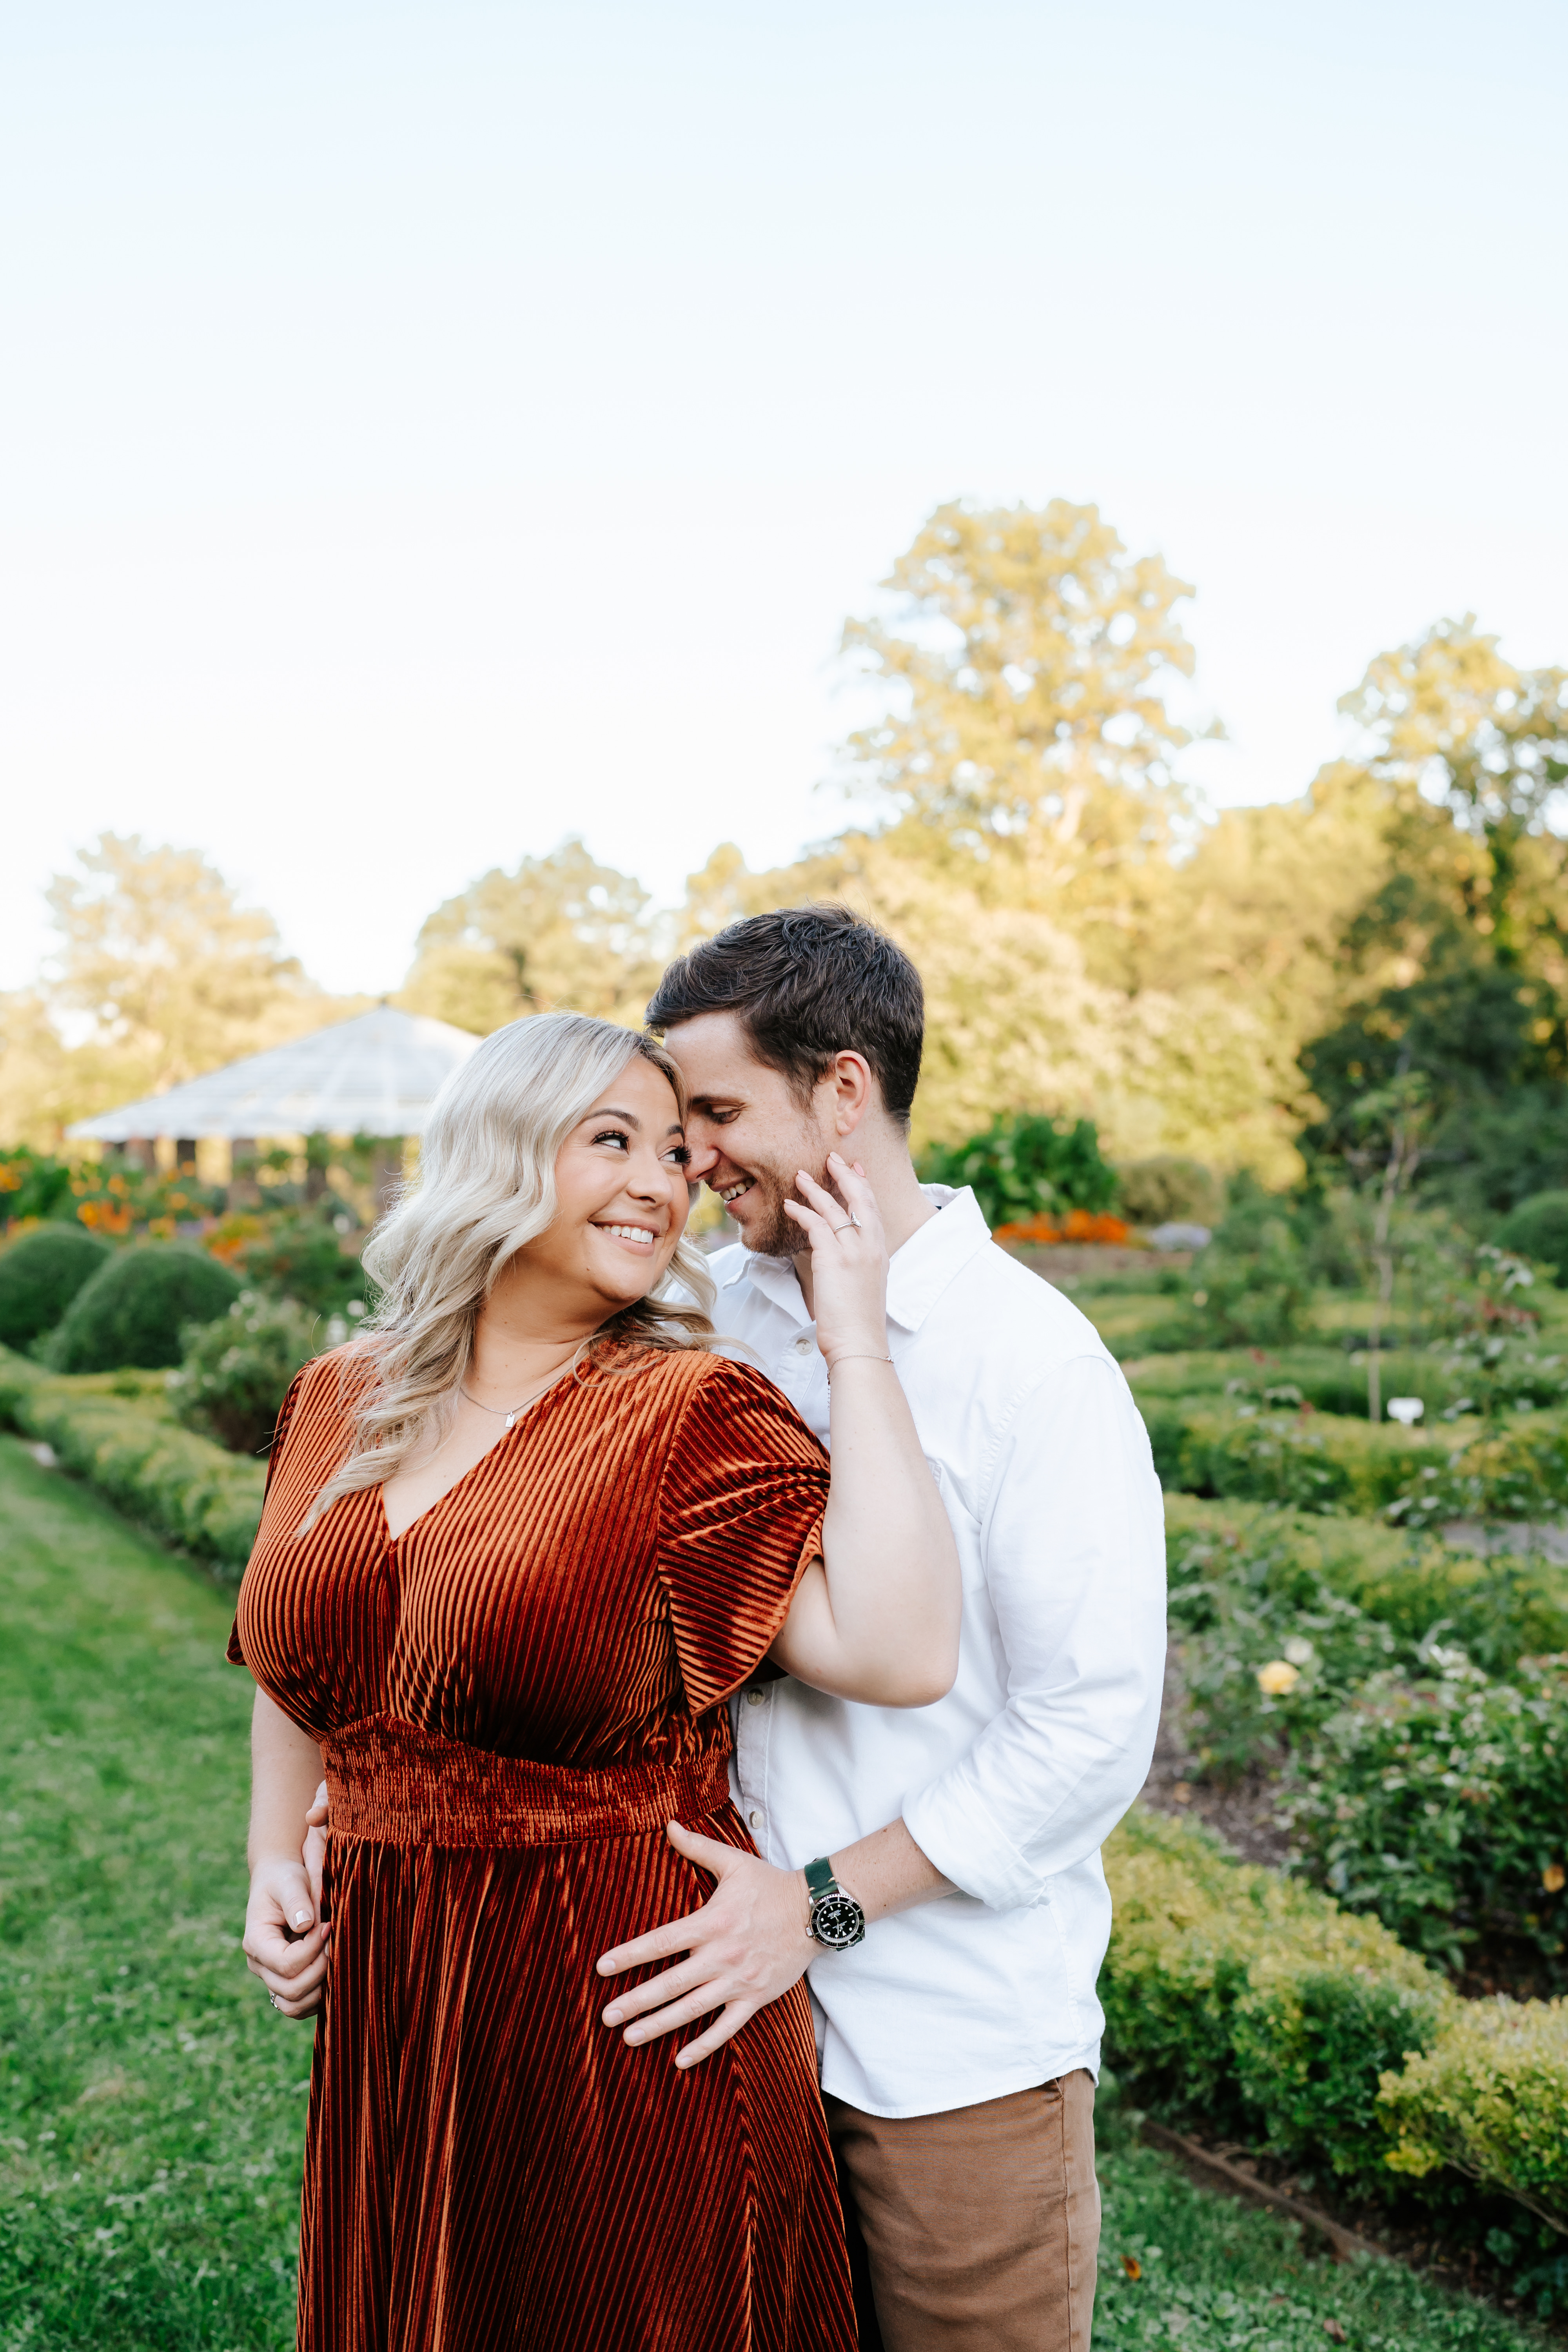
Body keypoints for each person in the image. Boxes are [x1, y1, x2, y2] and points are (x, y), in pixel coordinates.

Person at [234, 1008, 960, 2352]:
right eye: (611, 1140)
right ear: (499, 1152)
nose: (660, 1183)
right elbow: (298, 1660)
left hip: (624, 2009)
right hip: (401, 2009)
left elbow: (903, 1652)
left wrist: (854, 1337)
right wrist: (277, 1853)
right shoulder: (340, 1395)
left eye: (680, 1154)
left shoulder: (689, 1414)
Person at [597, 907, 1166, 2352]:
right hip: (717, 2028)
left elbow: (1088, 1732)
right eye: (679, 1120)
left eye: (718, 1112)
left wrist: (821, 1905)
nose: (694, 1157)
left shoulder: (1034, 1364)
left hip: (947, 2053)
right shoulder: (695, 1320)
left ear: (844, 1092)